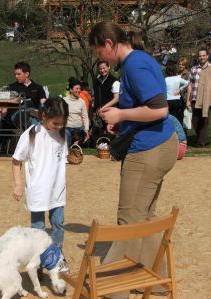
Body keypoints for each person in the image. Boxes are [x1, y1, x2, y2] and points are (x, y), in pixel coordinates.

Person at [88, 21, 178, 298]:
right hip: (159, 145)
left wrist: (121, 115)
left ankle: (113, 290)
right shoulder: (139, 60)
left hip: (149, 150)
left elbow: (160, 109)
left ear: (109, 44)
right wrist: (122, 123)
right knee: (144, 217)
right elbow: (146, 106)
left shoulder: (135, 65)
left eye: (98, 52)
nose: (99, 58)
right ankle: (156, 280)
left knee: (128, 219)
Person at [12, 97, 69, 249]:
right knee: (38, 229)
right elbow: (16, 160)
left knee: (58, 224)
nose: (59, 126)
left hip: (57, 190)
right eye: (56, 123)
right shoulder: (31, 135)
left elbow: (61, 159)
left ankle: (56, 258)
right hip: (37, 190)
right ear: (44, 116)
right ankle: (37, 262)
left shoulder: (62, 135)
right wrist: (18, 184)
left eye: (62, 123)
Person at [8, 61, 46, 129]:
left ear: (26, 74)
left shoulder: (38, 87)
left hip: (34, 115)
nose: (16, 76)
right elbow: (5, 101)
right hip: (17, 114)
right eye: (15, 74)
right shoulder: (11, 87)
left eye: (19, 74)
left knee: (33, 116)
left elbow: (43, 102)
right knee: (28, 112)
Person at [64, 77, 90, 147]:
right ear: (71, 90)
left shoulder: (82, 101)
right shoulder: (64, 101)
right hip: (67, 128)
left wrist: (86, 129)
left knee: (86, 140)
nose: (79, 90)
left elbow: (85, 117)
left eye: (79, 89)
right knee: (65, 139)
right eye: (77, 89)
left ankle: (77, 143)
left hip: (79, 128)